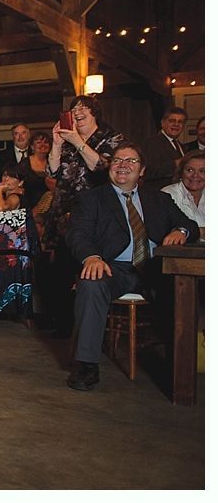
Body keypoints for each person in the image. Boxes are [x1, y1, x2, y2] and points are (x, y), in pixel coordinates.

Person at [65, 143, 198, 391]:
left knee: (185, 288)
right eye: (117, 160)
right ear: (110, 168)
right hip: (113, 268)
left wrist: (180, 231)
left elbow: (188, 223)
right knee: (91, 284)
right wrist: (91, 256)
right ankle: (87, 365)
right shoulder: (92, 199)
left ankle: (181, 363)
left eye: (131, 161)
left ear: (142, 170)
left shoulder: (159, 199)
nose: (123, 165)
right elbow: (77, 234)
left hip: (154, 267)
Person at [43, 95, 125, 336]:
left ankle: (91, 330)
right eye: (74, 109)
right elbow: (52, 172)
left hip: (95, 215)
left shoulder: (111, 138)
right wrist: (57, 144)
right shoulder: (67, 138)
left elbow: (103, 168)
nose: (77, 112)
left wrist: (78, 141)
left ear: (95, 113)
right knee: (61, 269)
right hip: (63, 212)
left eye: (83, 108)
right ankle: (64, 326)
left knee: (89, 271)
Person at [161, 150, 204, 239]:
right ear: (181, 172)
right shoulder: (167, 194)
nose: (195, 175)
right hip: (179, 251)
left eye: (202, 171)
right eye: (190, 170)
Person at [143, 106, 188, 190]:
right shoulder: (152, 143)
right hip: (158, 194)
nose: (176, 124)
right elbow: (147, 172)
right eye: (172, 121)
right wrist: (175, 164)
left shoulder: (182, 146)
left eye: (180, 122)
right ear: (163, 123)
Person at [0, 123, 31, 192]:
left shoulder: (36, 154)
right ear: (13, 136)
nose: (20, 137)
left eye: (23, 133)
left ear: (28, 135)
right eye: (16, 134)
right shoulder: (1, 156)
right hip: (8, 197)